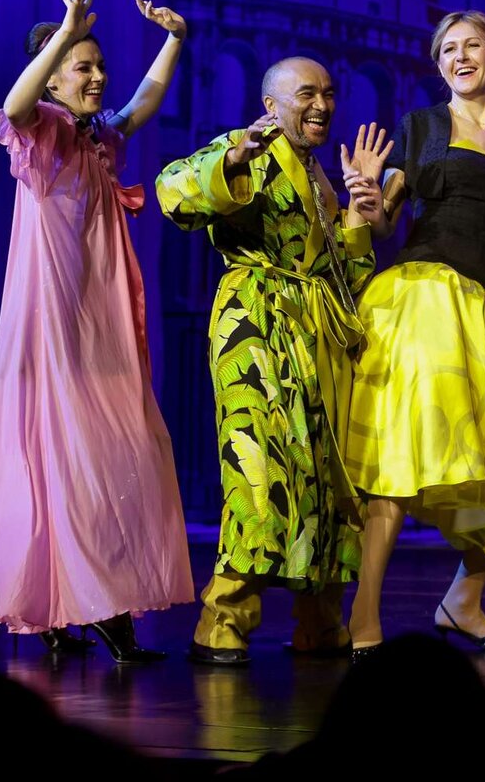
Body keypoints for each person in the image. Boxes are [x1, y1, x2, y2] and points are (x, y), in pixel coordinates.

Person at [339, 8, 485, 659]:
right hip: (421, 301)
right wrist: (367, 202)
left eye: (472, 46)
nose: (459, 57)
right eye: (448, 49)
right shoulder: (421, 128)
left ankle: (464, 601)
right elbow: (385, 221)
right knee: (399, 457)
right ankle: (364, 615)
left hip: (484, 314)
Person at [157, 56, 387, 665]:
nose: (322, 105)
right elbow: (171, 191)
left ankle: (319, 622)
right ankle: (222, 622)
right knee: (259, 468)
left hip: (314, 334)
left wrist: (359, 214)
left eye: (329, 93)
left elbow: (345, 275)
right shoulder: (249, 148)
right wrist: (233, 157)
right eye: (306, 94)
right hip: (255, 324)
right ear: (271, 105)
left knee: (322, 475)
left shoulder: (321, 178)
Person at [0, 0, 193, 662]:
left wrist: (174, 40)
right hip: (54, 318)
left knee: (113, 446)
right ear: (55, 78)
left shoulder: (97, 135)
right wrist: (65, 35)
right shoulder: (43, 131)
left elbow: (142, 105)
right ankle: (90, 607)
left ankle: (82, 604)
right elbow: (16, 103)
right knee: (69, 453)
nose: (99, 76)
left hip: (98, 315)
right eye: (84, 66)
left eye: (100, 64)